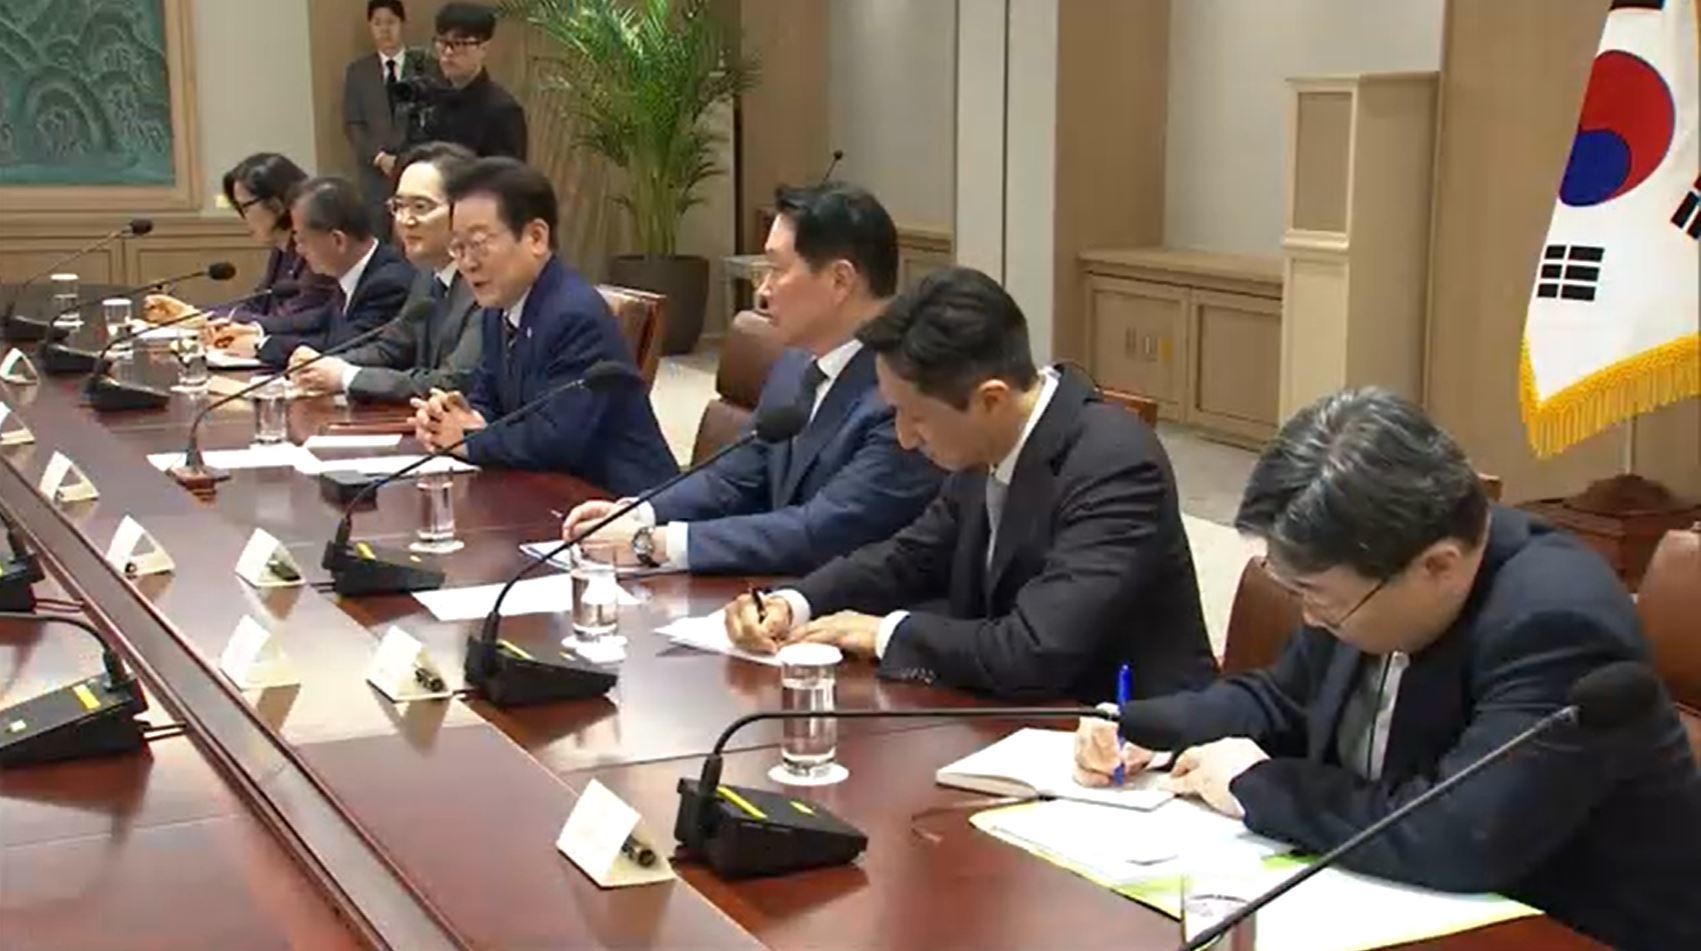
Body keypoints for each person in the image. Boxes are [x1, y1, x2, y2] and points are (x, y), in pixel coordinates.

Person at [1072, 388, 1701, 951]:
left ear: (1438, 565)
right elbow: (1285, 698)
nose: (1311, 619)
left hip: (1557, 930)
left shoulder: (1557, 622)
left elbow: (1457, 835)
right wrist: (1147, 729)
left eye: (1320, 598)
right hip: (1407, 909)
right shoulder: (1375, 573)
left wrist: (1255, 784)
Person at [723, 266, 1216, 703]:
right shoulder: (987, 443)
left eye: (916, 417)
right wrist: (793, 602)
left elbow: (1036, 649)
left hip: (1131, 740)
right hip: (1014, 719)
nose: (904, 438)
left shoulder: (1115, 465)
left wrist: (885, 634)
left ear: (991, 400)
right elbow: (909, 557)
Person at [558, 183, 941, 574]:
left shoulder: (906, 395)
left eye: (777, 269)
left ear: (840, 280)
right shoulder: (797, 361)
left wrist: (653, 543)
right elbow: (735, 477)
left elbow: (823, 531)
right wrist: (638, 513)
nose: (762, 291)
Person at [410, 157, 677, 496]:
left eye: (478, 243)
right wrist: (450, 416)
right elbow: (487, 399)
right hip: (547, 492)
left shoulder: (574, 314)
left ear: (536, 237)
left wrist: (468, 439)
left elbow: (556, 438)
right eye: (458, 247)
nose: (467, 263)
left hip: (622, 502)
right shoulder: (498, 310)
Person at [290, 142, 483, 403]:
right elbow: (391, 349)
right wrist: (324, 365)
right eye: (399, 206)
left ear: (465, 210)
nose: (405, 220)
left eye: (421, 207)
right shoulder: (427, 274)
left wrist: (347, 377)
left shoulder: (485, 284)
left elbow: (453, 383)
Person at [212, 176, 414, 368]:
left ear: (338, 240)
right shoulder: (353, 270)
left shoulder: (388, 282)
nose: (299, 251)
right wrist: (255, 329)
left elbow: (342, 346)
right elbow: (319, 320)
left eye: (301, 240)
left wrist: (261, 345)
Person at [143, 153, 336, 326]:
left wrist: (199, 318)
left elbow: (290, 321)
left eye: (245, 207)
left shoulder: (315, 252)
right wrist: (192, 313)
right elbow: (256, 306)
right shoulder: (281, 249)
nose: (242, 218)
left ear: (277, 202)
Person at [344, 0, 429, 240]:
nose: (384, 30)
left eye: (391, 22)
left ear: (402, 24)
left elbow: (435, 118)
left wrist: (407, 159)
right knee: (377, 242)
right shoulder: (358, 72)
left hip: (417, 171)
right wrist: (380, 158)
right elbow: (353, 124)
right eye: (377, 23)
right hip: (374, 178)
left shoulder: (424, 67)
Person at [412, 2, 526, 160]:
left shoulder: (503, 110)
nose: (448, 52)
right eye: (442, 42)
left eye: (459, 43)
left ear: (483, 48)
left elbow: (508, 173)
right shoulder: (431, 98)